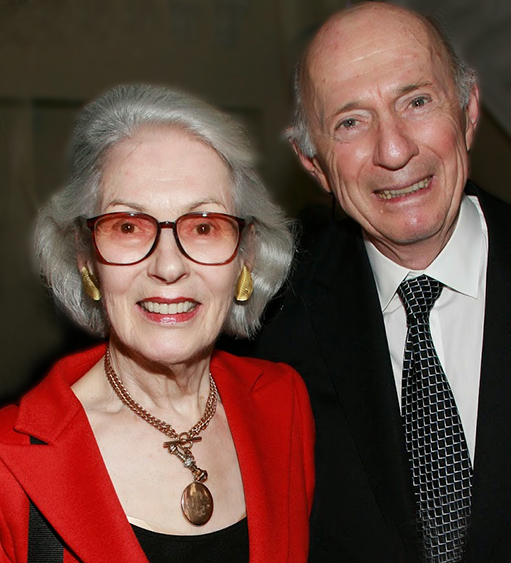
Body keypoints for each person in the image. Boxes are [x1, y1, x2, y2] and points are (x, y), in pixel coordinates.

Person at [225, 2, 511, 562]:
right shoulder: (266, 327)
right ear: (313, 163)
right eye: (351, 122)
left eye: (417, 101)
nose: (394, 150)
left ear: (469, 109)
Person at [0, 84, 314, 563]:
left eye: (203, 226)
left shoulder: (285, 405)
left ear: (245, 258)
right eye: (128, 226)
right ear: (87, 261)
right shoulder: (10, 465)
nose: (168, 267)